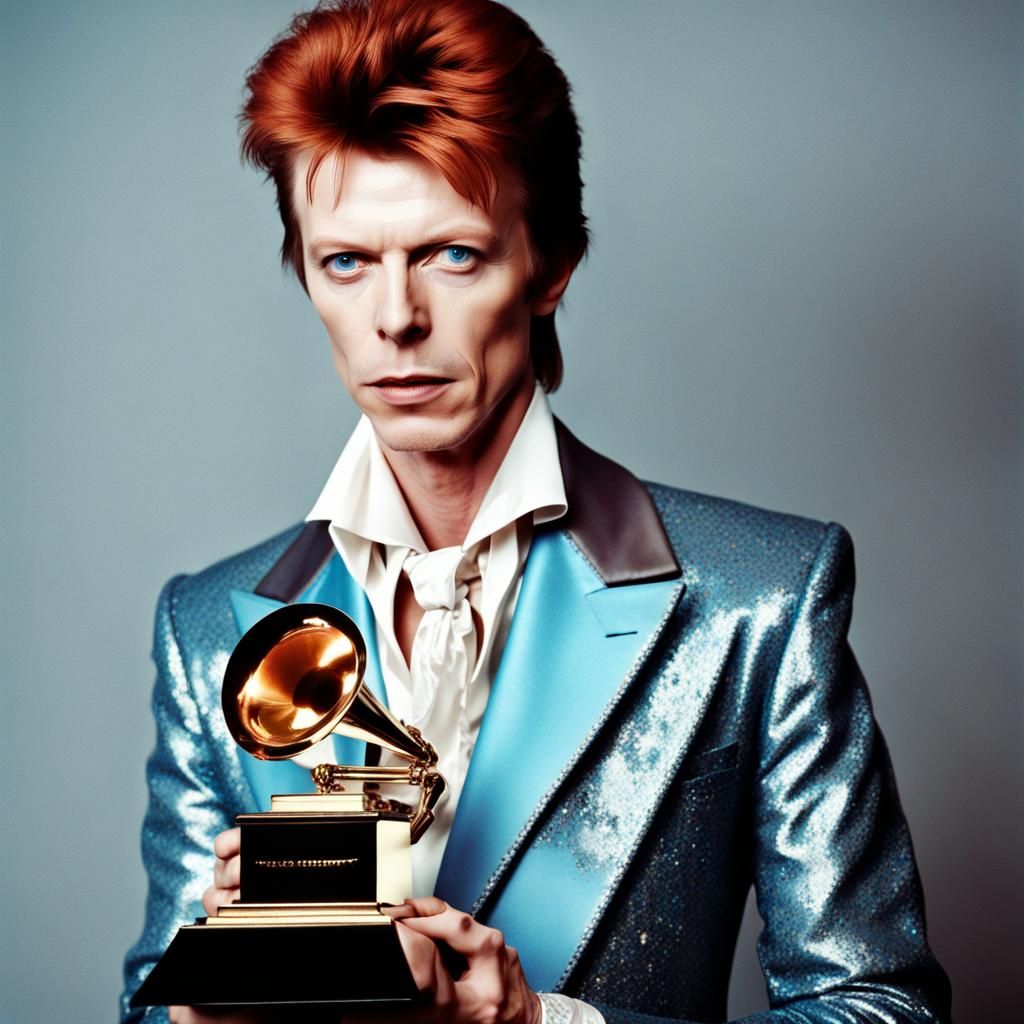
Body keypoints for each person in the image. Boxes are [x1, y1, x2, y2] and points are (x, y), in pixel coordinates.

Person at [121, 1, 951, 1022]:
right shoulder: (207, 630)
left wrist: (535, 1022)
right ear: (305, 274)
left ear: (549, 265)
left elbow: (880, 1007)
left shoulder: (760, 602)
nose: (395, 318)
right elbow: (148, 1006)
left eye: (451, 255)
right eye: (347, 262)